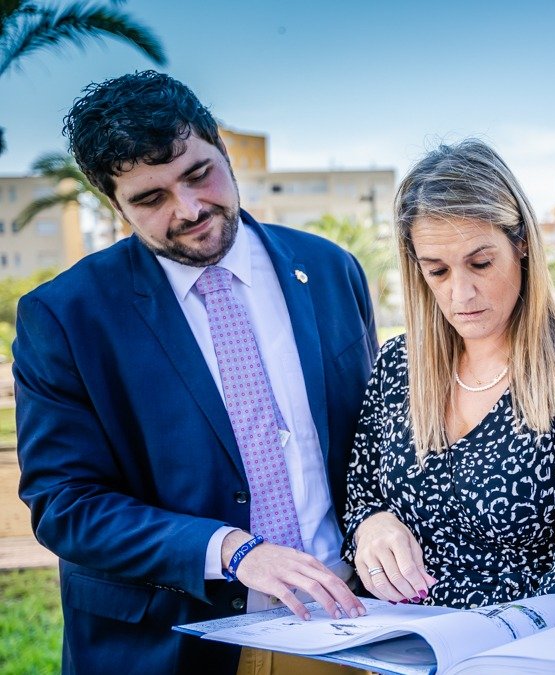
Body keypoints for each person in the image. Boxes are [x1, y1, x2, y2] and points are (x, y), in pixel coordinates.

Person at [15, 71, 378, 675]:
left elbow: (377, 440)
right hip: (170, 644)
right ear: (113, 204)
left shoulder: (332, 268)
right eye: (150, 199)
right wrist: (232, 551)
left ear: (223, 150)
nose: (189, 210)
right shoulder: (64, 316)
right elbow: (66, 503)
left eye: (197, 174)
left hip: (345, 626)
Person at [342, 139, 555, 609]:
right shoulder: (398, 365)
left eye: (480, 263)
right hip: (397, 646)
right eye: (437, 271)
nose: (462, 292)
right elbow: (359, 495)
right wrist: (370, 524)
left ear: (520, 243)